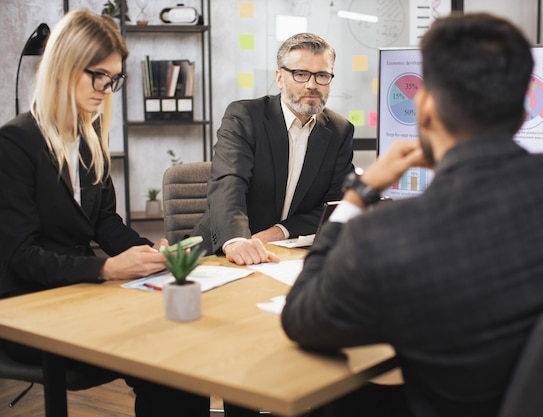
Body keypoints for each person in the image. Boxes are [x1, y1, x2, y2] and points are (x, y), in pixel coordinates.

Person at [281, 12, 543, 417]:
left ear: (425, 111)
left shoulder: (386, 236)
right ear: (522, 113)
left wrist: (358, 197)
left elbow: (302, 316)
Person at [0, 10, 208, 416]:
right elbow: (19, 258)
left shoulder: (87, 136)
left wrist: (149, 252)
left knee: (182, 349)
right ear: (65, 66)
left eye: (113, 79)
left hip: (77, 295)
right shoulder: (15, 143)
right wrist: (105, 270)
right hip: (29, 308)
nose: (107, 89)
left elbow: (105, 221)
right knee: (163, 348)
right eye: (99, 76)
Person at [192, 32, 354, 266]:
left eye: (321, 75)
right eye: (300, 74)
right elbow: (229, 183)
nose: (312, 85)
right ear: (279, 78)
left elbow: (334, 206)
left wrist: (277, 232)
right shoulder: (245, 117)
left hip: (289, 255)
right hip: (221, 253)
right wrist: (238, 241)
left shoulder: (340, 131)